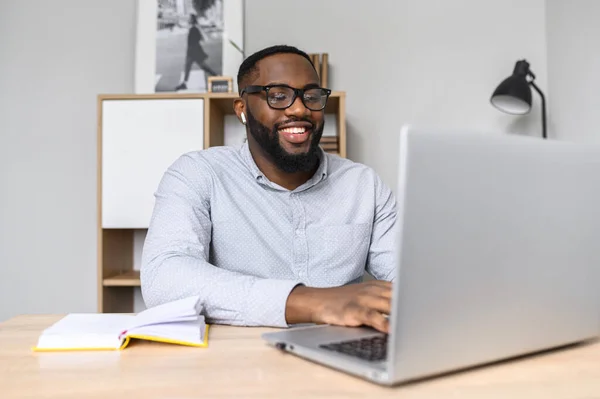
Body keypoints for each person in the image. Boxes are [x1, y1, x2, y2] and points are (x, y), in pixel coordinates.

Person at [141, 45, 397, 333]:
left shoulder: (364, 185)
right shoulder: (199, 173)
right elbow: (164, 278)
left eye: (311, 96)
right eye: (278, 96)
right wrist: (310, 302)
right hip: (238, 360)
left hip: (344, 354)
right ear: (243, 110)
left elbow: (410, 281)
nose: (300, 109)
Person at [175, 14, 217, 91]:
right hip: (191, 51)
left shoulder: (195, 28)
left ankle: (216, 77)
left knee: (203, 66)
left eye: (190, 18)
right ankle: (184, 83)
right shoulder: (192, 27)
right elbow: (183, 26)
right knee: (189, 67)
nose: (188, 19)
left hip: (194, 51)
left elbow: (202, 38)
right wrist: (178, 23)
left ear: (192, 19)